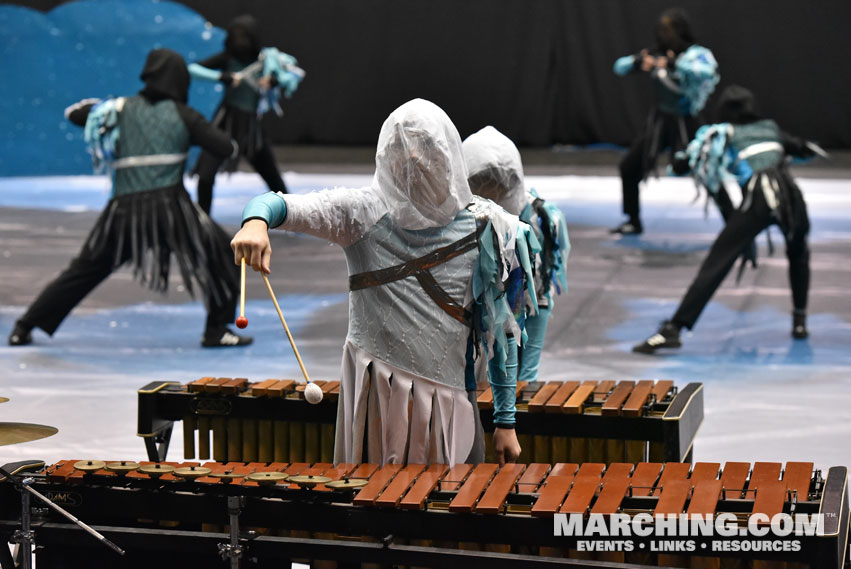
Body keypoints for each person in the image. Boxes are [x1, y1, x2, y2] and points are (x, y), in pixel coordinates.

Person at [232, 99, 540, 466]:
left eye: (426, 154)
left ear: (449, 159)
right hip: (374, 405)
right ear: (388, 160)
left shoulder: (490, 228)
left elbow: (503, 334)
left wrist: (505, 421)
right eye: (404, 154)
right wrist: (255, 222)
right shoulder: (361, 213)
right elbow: (279, 205)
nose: (416, 164)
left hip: (452, 411)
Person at [7, 49, 252, 348]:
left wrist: (100, 108)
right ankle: (216, 330)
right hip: (173, 212)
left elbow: (73, 114)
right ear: (180, 82)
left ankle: (24, 326)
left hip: (124, 213)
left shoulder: (119, 109)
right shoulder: (184, 115)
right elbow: (226, 147)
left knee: (85, 270)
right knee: (224, 255)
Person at [633, 85, 818, 353]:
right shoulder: (771, 127)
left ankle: (675, 328)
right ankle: (800, 320)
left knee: (717, 261)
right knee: (799, 254)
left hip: (759, 198)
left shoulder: (723, 133)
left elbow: (691, 163)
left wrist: (681, 163)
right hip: (791, 198)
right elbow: (802, 149)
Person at [462, 126, 570, 383]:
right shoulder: (456, 219)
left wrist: (527, 375)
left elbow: (539, 297)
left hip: (515, 315)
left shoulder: (542, 221)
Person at [611, 8, 721, 235]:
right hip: (661, 122)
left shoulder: (696, 54)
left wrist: (672, 65)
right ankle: (633, 219)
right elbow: (619, 67)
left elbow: (707, 71)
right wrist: (637, 61)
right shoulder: (656, 55)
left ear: (680, 31)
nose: (663, 35)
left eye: (668, 30)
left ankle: (732, 219)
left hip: (689, 120)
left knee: (708, 169)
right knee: (629, 166)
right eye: (660, 30)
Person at [189, 14, 303, 214]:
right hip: (225, 125)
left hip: (251, 130)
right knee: (206, 175)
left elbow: (295, 73)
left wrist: (275, 81)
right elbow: (191, 69)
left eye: (244, 37)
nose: (240, 41)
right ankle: (203, 219)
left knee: (273, 178)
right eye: (236, 37)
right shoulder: (228, 58)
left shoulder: (267, 59)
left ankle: (293, 215)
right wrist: (221, 76)